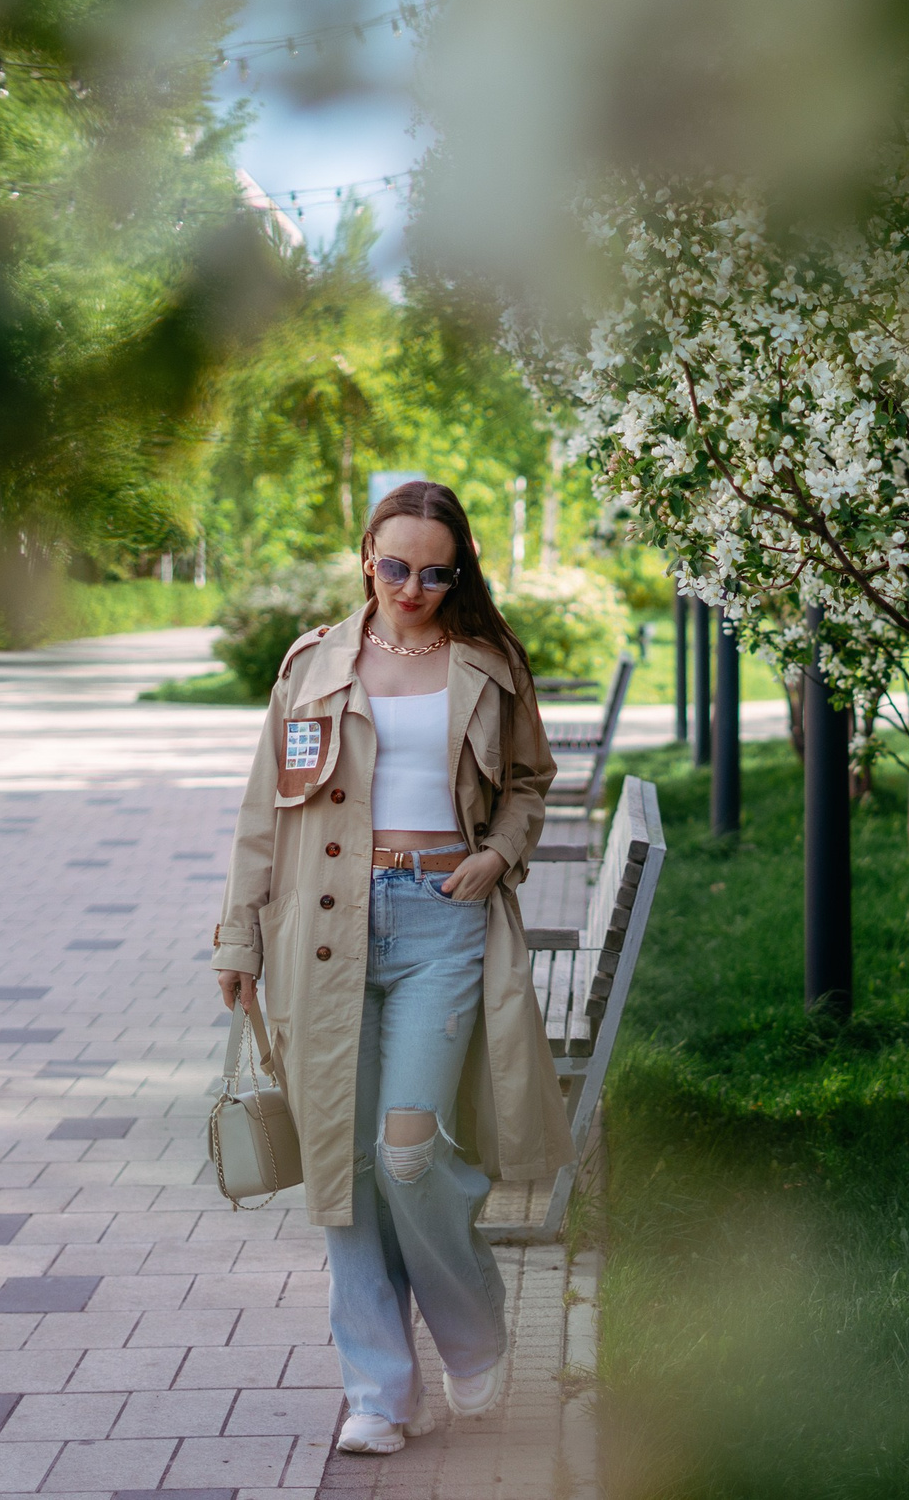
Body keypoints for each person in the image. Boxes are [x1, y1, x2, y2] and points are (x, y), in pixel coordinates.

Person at [212, 480, 570, 1455]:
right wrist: (238, 936)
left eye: (436, 570)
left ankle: (470, 1331)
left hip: (441, 923)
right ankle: (376, 1392)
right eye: (397, 564)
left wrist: (497, 852)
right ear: (366, 552)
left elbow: (530, 781)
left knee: (406, 1151)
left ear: (458, 571)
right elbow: (262, 813)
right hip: (320, 936)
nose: (413, 585)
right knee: (343, 1166)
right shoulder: (315, 665)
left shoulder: (486, 662)